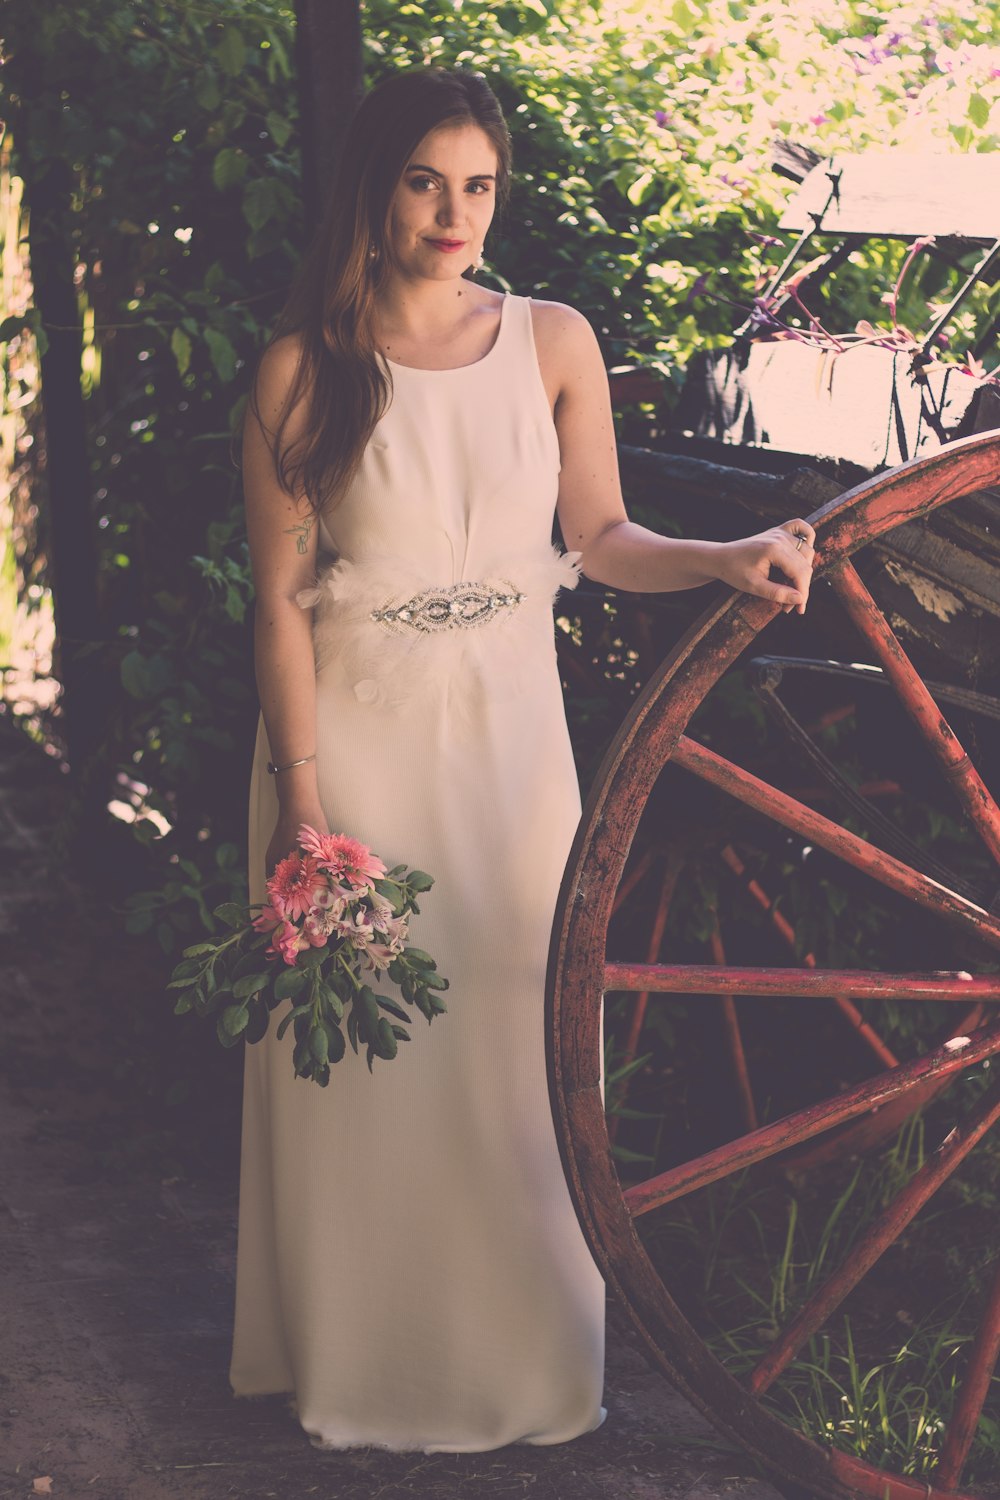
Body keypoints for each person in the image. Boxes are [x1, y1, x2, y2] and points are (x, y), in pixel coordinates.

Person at [228, 64, 815, 1455]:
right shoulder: (302, 368)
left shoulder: (550, 338)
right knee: (366, 1062)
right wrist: (301, 804)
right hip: (354, 745)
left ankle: (528, 1370)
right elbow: (275, 599)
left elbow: (603, 538)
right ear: (375, 190)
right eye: (426, 182)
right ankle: (363, 1368)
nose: (454, 213)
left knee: (516, 1028)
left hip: (510, 737)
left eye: (478, 185)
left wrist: (723, 556)